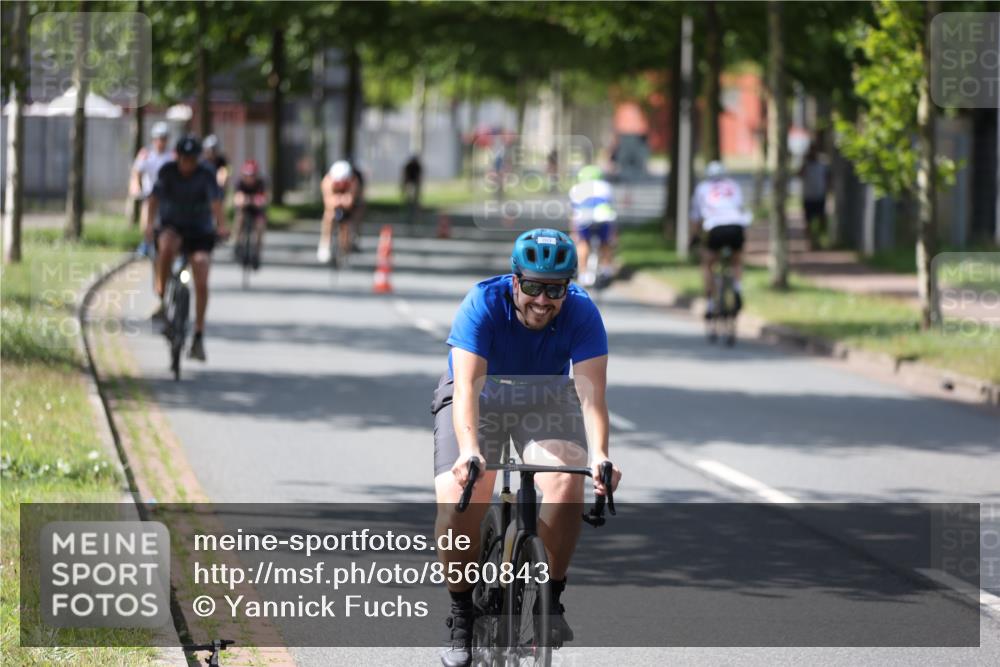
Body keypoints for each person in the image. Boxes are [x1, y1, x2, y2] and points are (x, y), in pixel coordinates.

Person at [432, 228, 622, 667]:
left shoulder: (582, 313)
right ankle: (462, 615)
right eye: (533, 286)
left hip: (544, 398)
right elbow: (465, 390)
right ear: (515, 280)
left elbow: (592, 394)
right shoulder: (481, 303)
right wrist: (470, 451)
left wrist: (601, 455)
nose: (542, 300)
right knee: (461, 500)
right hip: (478, 396)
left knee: (565, 483)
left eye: (554, 289)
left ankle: (551, 600)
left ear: (568, 287)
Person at [145, 135, 228, 361]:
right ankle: (161, 299)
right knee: (166, 246)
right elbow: (153, 200)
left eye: (192, 160)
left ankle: (198, 335)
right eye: (184, 159)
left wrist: (222, 226)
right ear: (178, 157)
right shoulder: (167, 172)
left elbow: (216, 203)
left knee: (201, 270)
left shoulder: (207, 175)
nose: (187, 164)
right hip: (172, 226)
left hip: (199, 231)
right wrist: (149, 225)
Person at [690, 160, 752, 318]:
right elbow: (740, 208)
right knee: (737, 260)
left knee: (708, 263)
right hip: (736, 225)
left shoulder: (702, 188)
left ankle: (710, 304)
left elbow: (696, 217)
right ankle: (737, 288)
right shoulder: (733, 185)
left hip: (716, 227)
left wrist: (694, 237)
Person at [568, 165, 617, 287]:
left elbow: (574, 213)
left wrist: (573, 232)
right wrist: (614, 233)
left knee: (583, 242)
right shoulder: (606, 187)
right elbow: (610, 208)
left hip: (584, 217)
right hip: (603, 217)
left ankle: (583, 273)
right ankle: (606, 270)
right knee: (606, 243)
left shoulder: (576, 189)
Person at [130, 121, 174, 234]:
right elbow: (136, 172)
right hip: (149, 194)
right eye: (159, 138)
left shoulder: (172, 156)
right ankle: (146, 241)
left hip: (167, 196)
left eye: (164, 138)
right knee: (147, 218)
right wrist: (136, 186)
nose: (162, 141)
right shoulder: (146, 155)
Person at [318, 160, 365, 263]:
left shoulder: (354, 181)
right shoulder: (327, 181)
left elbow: (350, 201)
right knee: (329, 216)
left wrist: (341, 200)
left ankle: (352, 239)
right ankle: (325, 244)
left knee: (354, 216)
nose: (341, 185)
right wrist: (340, 200)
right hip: (334, 205)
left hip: (350, 206)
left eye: (344, 182)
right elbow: (328, 202)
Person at [231, 159, 267, 270]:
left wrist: (255, 201)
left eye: (252, 175)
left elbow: (263, 199)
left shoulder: (261, 183)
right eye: (247, 175)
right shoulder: (240, 183)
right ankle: (237, 244)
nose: (249, 178)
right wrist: (246, 200)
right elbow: (237, 199)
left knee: (260, 226)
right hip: (244, 209)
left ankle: (257, 253)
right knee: (239, 218)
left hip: (257, 211)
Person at [799, 143, 831, 249]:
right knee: (808, 221)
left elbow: (828, 178)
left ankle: (820, 240)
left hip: (819, 195)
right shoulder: (806, 164)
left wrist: (828, 190)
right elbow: (799, 174)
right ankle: (809, 242)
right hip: (808, 196)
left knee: (822, 219)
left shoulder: (822, 164)